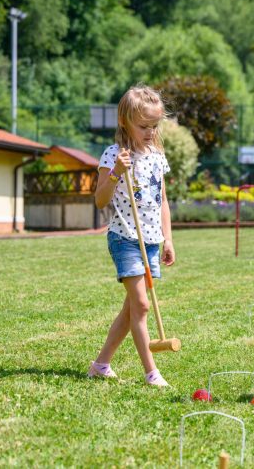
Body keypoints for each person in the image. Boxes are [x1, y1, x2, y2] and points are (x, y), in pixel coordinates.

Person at [89, 84, 175, 387]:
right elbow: (101, 200)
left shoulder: (157, 155)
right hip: (125, 237)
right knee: (141, 305)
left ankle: (101, 364)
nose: (150, 131)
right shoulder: (113, 154)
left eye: (155, 125)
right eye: (144, 126)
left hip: (151, 241)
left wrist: (168, 238)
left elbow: (162, 200)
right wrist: (115, 171)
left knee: (131, 309)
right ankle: (152, 373)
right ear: (125, 121)